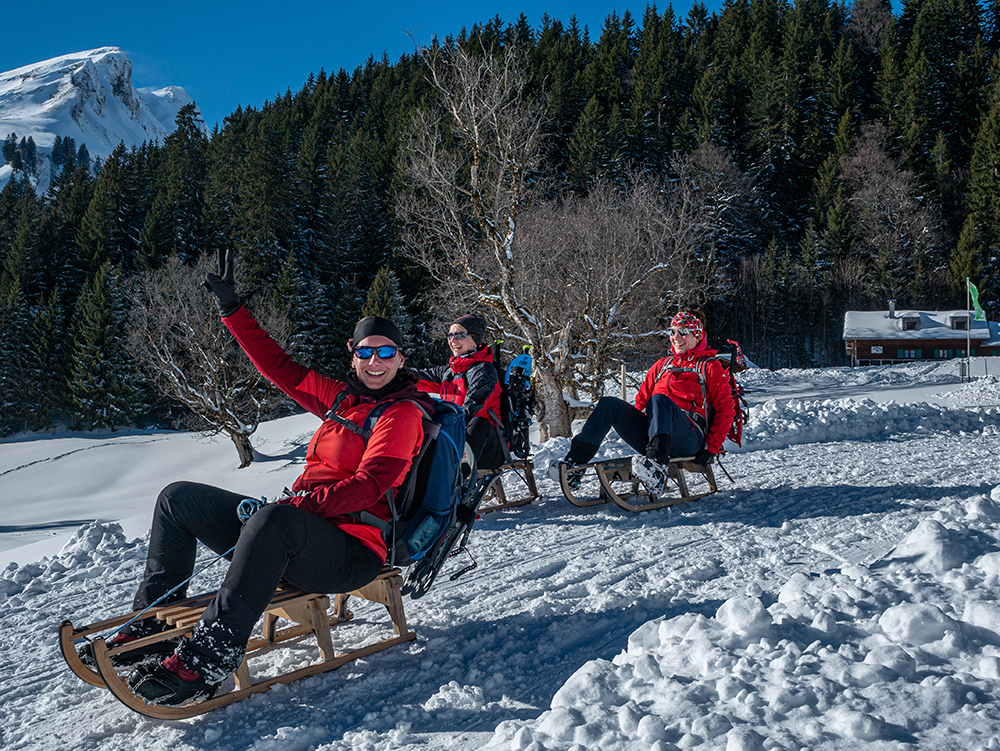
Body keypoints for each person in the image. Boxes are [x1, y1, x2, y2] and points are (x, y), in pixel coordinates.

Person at [80, 255, 433, 706]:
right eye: (366, 351)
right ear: (353, 352)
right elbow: (279, 368)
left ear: (401, 358)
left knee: (272, 522)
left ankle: (209, 658)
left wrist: (296, 510)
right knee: (178, 499)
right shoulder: (341, 398)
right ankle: (151, 623)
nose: (376, 361)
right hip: (294, 532)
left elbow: (369, 485)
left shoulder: (400, 414)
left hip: (351, 551)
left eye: (386, 352)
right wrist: (233, 310)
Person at [560, 310, 736, 482]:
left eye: (684, 332)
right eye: (672, 332)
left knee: (659, 400)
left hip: (689, 438)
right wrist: (629, 422)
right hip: (657, 434)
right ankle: (574, 465)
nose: (677, 337)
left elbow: (726, 409)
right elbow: (640, 401)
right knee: (609, 404)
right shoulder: (663, 365)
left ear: (697, 336)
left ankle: (656, 470)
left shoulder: (710, 367)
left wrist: (711, 448)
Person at [411, 314, 506, 471]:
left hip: (489, 448)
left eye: (460, 335)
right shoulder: (449, 372)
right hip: (455, 442)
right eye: (450, 335)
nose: (452, 341)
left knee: (478, 423)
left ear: (475, 339)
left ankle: (456, 482)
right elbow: (416, 377)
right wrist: (387, 368)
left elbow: (471, 408)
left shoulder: (485, 372)